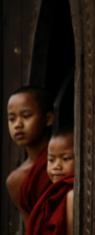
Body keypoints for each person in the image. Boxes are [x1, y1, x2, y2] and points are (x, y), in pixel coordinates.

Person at [6, 86, 54, 225]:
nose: (18, 125)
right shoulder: (17, 180)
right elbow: (33, 231)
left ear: (48, 118)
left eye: (26, 116)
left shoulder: (65, 161)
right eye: (12, 119)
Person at [24, 126, 75, 235]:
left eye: (66, 158)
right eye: (51, 160)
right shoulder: (54, 191)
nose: (56, 166)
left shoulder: (71, 194)